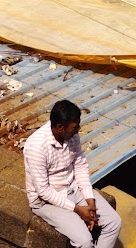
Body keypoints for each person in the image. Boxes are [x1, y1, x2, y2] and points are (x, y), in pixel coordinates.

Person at [22, 99, 123, 248]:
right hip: (47, 201)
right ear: (60, 127)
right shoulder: (36, 147)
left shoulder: (71, 136)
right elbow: (43, 191)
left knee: (114, 223)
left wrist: (90, 200)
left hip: (73, 188)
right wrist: (77, 209)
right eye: (75, 127)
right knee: (84, 241)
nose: (78, 130)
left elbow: (80, 166)